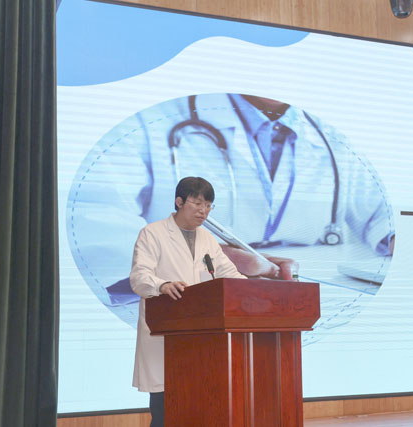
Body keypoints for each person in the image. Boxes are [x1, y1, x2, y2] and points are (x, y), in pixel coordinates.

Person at [66, 92, 394, 326]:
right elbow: (92, 220)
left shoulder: (333, 135)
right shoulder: (150, 121)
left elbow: (382, 212)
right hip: (184, 311)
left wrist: (393, 236)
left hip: (288, 307)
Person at [130, 177, 246, 427]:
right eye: (197, 203)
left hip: (201, 338)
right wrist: (162, 285)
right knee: (165, 412)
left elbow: (230, 275)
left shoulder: (207, 239)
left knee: (198, 409)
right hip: (166, 334)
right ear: (179, 202)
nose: (203, 211)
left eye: (208, 205)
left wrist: (255, 291)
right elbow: (139, 277)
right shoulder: (153, 233)